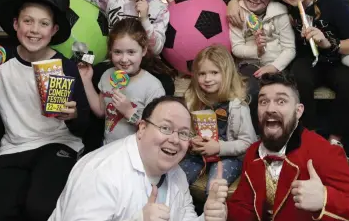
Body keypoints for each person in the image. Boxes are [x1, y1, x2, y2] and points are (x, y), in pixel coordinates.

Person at [227, 0, 349, 147]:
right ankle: (309, 135)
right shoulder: (283, 0)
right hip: (305, 59)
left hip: (336, 60)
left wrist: (328, 43)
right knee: (298, 77)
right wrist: (233, 2)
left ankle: (336, 138)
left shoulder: (332, 0)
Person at [0, 0, 90, 221]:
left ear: (54, 30)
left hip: (58, 143)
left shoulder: (65, 67)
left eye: (43, 23)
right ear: (16, 24)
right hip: (14, 146)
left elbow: (85, 125)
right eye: (28, 21)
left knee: (40, 208)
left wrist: (73, 117)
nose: (34, 30)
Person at [227, 72, 349, 221]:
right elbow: (245, 207)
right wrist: (223, 213)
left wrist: (325, 199)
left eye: (281, 101)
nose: (270, 109)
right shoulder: (253, 152)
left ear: (298, 111)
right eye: (263, 102)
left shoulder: (323, 153)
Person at [49, 96, 228, 221]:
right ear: (142, 128)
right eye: (165, 128)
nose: (174, 139)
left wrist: (208, 217)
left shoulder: (176, 173)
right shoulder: (101, 172)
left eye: (183, 133)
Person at [62, 0, 175, 95]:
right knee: (93, 79)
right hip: (115, 62)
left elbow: (157, 48)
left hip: (147, 64)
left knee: (166, 85)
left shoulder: (159, 8)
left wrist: (144, 19)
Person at [179, 45, 257, 193]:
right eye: (202, 74)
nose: (207, 79)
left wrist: (219, 148)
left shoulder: (238, 105)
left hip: (229, 157)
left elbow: (248, 143)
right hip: (199, 155)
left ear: (226, 74)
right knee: (177, 180)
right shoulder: (193, 101)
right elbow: (185, 132)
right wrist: (191, 141)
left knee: (214, 188)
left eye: (214, 72)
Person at [229, 0, 295, 133]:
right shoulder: (238, 13)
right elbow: (236, 48)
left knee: (283, 93)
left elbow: (290, 49)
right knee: (253, 91)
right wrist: (257, 51)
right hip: (248, 65)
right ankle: (255, 135)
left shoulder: (280, 13)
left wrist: (274, 66)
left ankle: (281, 133)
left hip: (277, 65)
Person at [78, 18, 165, 145]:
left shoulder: (153, 87)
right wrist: (86, 80)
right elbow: (101, 111)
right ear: (110, 51)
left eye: (131, 52)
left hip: (137, 151)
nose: (124, 59)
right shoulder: (107, 75)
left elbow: (157, 130)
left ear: (144, 51)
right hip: (108, 147)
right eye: (118, 52)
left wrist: (130, 112)